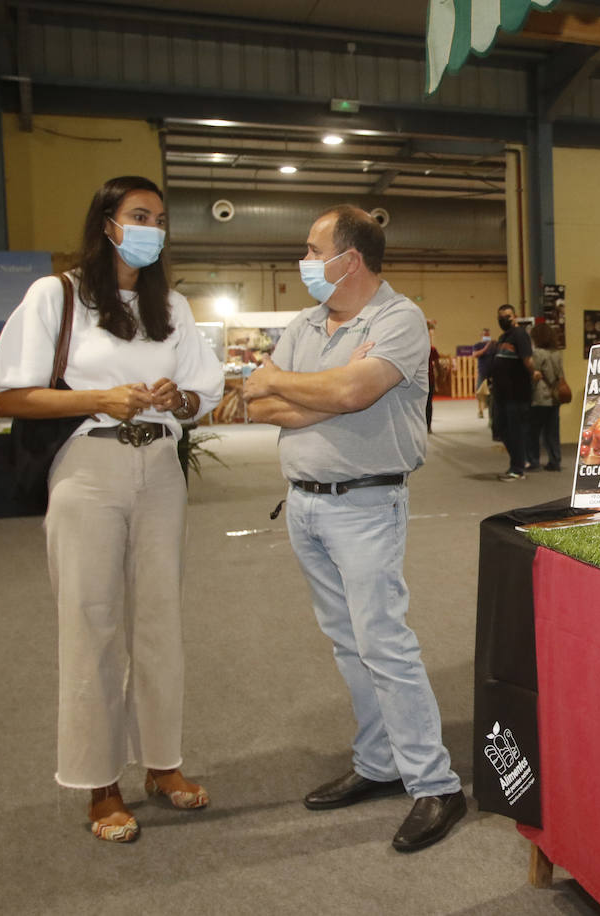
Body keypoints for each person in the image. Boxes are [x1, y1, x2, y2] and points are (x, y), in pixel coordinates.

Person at [0, 175, 224, 843]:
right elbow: (9, 395)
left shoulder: (169, 305)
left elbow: (204, 392)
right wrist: (98, 399)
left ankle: (163, 765)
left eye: (160, 217)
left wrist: (178, 399)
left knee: (160, 620)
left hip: (161, 470)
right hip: (88, 469)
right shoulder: (55, 296)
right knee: (91, 621)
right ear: (108, 223)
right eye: (139, 214)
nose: (152, 227)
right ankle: (100, 784)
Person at [243, 205, 466, 853]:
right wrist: (322, 389)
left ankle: (435, 782)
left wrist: (298, 387)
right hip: (306, 504)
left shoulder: (396, 319)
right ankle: (379, 762)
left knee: (384, 643)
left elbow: (348, 394)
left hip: (367, 505)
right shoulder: (306, 323)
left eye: (313, 250)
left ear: (351, 259)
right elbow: (255, 402)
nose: (303, 261)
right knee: (348, 643)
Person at [490, 304, 540, 480]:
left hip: (516, 394)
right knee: (501, 429)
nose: (504, 319)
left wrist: (534, 372)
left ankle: (518, 468)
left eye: (508, 316)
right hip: (501, 394)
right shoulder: (504, 337)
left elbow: (527, 359)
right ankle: (517, 462)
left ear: (515, 316)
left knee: (514, 430)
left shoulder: (520, 335)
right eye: (501, 316)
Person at [527, 321, 565, 472]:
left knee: (533, 431)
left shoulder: (537, 353)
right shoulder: (557, 353)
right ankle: (555, 460)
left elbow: (534, 374)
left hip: (540, 396)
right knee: (552, 431)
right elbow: (560, 375)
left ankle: (533, 460)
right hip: (554, 396)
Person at [471, 328, 494, 421]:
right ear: (481, 335)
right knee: (479, 392)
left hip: (492, 373)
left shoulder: (493, 345)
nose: (486, 337)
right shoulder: (477, 345)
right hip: (482, 372)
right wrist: (485, 348)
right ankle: (480, 410)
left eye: (488, 335)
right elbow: (475, 355)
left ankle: (490, 413)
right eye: (485, 335)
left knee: (491, 394)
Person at [426, 318, 439, 434]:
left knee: (426, 404)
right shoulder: (431, 349)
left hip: (426, 380)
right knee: (428, 404)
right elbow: (438, 365)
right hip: (428, 379)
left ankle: (426, 426)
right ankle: (428, 426)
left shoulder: (431, 349)